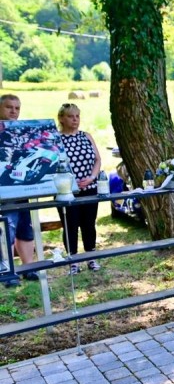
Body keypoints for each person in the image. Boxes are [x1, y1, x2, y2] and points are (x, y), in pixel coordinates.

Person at [56, 103, 102, 274]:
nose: (75, 120)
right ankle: (73, 261)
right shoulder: (56, 139)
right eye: (70, 116)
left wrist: (91, 177)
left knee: (89, 224)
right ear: (61, 118)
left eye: (77, 116)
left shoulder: (86, 136)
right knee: (70, 225)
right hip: (66, 190)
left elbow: (97, 159)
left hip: (90, 187)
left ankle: (91, 257)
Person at [0, 94, 37, 285]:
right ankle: (7, 271)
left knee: (25, 228)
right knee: (7, 230)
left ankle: (28, 268)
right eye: (9, 107)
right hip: (3, 193)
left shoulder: (23, 131)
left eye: (17, 108)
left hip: (22, 189)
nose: (14, 111)